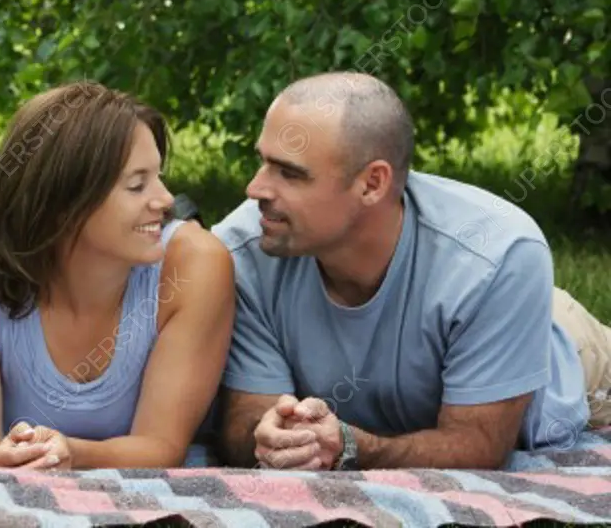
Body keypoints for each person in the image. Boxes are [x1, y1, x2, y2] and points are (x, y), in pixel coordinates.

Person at [211, 71, 611, 472]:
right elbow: (247, 419)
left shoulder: (496, 258)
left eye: (290, 173)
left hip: (560, 347)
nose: (255, 188)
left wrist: (352, 446)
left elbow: (479, 447)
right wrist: (271, 438)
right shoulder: (242, 253)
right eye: (263, 162)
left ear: (372, 183)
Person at [0, 81, 235, 469]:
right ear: (63, 203)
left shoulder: (194, 265)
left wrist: (69, 452)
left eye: (158, 177)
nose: (165, 200)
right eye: (137, 185)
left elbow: (160, 446)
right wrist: (2, 457)